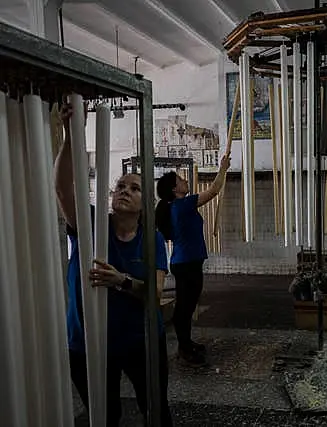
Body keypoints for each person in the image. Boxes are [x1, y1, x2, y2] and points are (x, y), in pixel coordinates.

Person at [55, 103, 173, 426]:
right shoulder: (92, 224)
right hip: (89, 341)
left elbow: (155, 293)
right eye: (121, 186)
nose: (124, 190)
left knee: (156, 410)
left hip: (141, 339)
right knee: (104, 416)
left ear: (144, 203)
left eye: (134, 188)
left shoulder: (152, 240)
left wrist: (120, 280)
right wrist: (70, 136)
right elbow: (63, 190)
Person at [155, 154, 230, 366]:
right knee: (185, 308)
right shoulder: (181, 205)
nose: (185, 181)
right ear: (174, 189)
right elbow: (214, 190)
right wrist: (223, 167)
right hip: (186, 264)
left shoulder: (178, 207)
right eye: (181, 180)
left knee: (186, 306)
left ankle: (186, 343)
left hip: (187, 262)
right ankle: (184, 348)